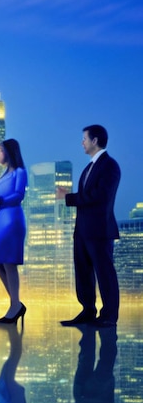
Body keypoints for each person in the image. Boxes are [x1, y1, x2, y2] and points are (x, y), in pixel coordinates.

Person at [57, 125, 120, 327]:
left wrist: (69, 197)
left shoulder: (109, 165)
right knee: (83, 272)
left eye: (84, 138)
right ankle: (87, 311)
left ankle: (109, 315)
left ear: (95, 141)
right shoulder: (88, 168)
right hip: (83, 231)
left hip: (100, 230)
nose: (82, 142)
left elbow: (101, 196)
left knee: (104, 272)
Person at [0, 139, 27, 324]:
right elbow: (2, 196)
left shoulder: (20, 172)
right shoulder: (3, 175)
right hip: (1, 220)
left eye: (0, 150)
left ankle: (15, 305)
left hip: (13, 220)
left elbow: (19, 195)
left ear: (9, 152)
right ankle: (16, 304)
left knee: (9, 263)